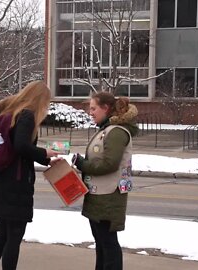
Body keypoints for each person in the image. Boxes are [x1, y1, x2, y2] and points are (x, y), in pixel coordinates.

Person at [0, 81, 60, 270]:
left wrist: (43, 158)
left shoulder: (11, 113)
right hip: (15, 184)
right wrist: (45, 155)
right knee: (13, 237)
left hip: (2, 180)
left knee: (2, 235)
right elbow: (21, 146)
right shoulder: (27, 115)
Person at [72, 92, 138, 270]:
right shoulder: (106, 130)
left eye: (93, 108)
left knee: (108, 244)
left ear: (106, 108)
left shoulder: (116, 132)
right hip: (99, 195)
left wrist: (82, 164)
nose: (90, 112)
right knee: (101, 244)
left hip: (108, 196)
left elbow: (110, 164)